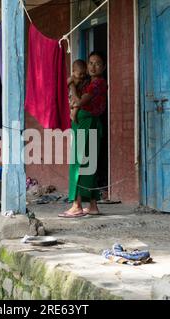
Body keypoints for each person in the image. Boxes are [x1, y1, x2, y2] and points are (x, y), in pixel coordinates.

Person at [59, 52, 108, 218]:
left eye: (98, 63)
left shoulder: (98, 84)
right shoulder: (89, 82)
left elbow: (80, 102)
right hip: (87, 125)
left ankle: (76, 205)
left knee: (78, 164)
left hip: (87, 125)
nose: (93, 66)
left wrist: (72, 85)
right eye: (91, 63)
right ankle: (93, 205)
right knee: (89, 165)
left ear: (104, 67)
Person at [67, 59, 88, 124]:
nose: (82, 76)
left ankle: (73, 113)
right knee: (76, 100)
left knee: (78, 100)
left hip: (78, 96)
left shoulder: (85, 79)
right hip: (72, 95)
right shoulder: (72, 78)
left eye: (84, 73)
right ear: (73, 71)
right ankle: (72, 113)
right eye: (80, 74)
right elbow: (66, 83)